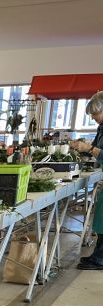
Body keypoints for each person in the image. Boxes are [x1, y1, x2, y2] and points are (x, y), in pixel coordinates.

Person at [71, 91, 103, 270]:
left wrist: (89, 148)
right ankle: (99, 255)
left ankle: (100, 258)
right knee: (101, 218)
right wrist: (82, 148)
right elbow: (97, 149)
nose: (93, 118)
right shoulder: (101, 128)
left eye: (95, 113)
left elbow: (98, 150)